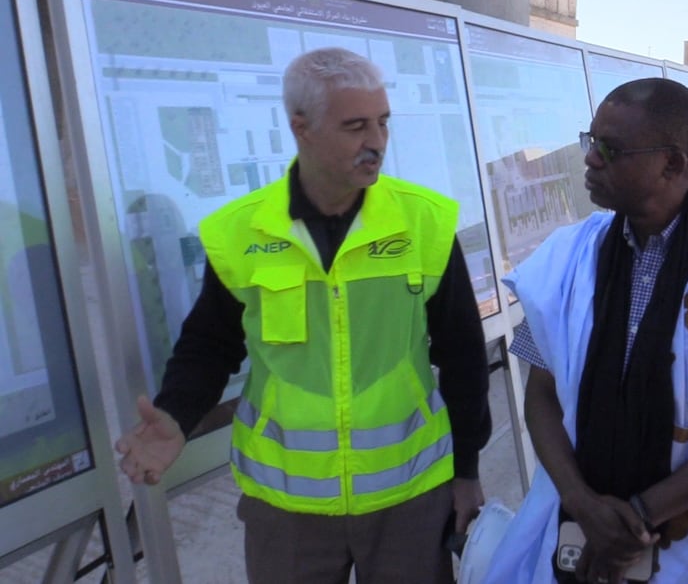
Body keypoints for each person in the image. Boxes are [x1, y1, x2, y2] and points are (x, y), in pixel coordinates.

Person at [115, 47, 491, 584]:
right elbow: (210, 345)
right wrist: (176, 416)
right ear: (302, 127)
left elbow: (462, 354)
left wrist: (467, 468)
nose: (376, 142)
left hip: (408, 497)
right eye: (355, 126)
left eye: (383, 123)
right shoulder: (240, 233)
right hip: (285, 505)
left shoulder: (425, 223)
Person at [483, 78, 688, 584]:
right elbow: (541, 391)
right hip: (571, 528)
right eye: (589, 142)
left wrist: (635, 518)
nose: (590, 160)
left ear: (674, 164)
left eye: (609, 149)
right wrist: (582, 503)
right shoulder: (569, 255)